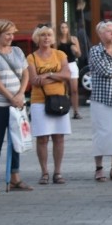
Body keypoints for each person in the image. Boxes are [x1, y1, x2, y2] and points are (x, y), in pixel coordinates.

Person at [27, 25, 71, 186]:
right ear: (37, 38)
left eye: (49, 35)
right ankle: (44, 172)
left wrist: (48, 75)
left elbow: (67, 74)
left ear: (53, 38)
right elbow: (34, 80)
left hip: (59, 98)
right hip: (40, 100)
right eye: (43, 35)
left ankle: (57, 172)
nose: (46, 38)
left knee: (59, 137)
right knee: (42, 138)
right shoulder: (31, 57)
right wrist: (57, 76)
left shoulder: (60, 54)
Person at [88, 20, 112, 182]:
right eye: (109, 31)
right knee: (101, 133)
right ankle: (99, 168)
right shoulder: (96, 50)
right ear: (100, 34)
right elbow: (105, 70)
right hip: (102, 97)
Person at [0, 19, 31, 192]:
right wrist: (10, 96)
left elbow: (25, 73)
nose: (11, 37)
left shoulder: (17, 51)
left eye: (12, 33)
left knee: (17, 139)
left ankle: (15, 176)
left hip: (17, 103)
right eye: (8, 34)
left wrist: (20, 94)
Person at [58, 21, 83, 119]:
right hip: (62, 65)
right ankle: (62, 109)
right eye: (62, 27)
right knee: (63, 89)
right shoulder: (57, 40)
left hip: (72, 64)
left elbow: (79, 54)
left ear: (68, 29)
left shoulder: (73, 39)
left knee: (74, 90)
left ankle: (76, 111)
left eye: (65, 27)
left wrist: (75, 50)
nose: (64, 29)